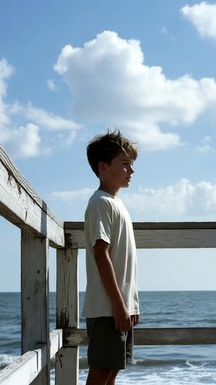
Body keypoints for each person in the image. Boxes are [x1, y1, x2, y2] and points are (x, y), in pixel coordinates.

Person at [82, 130, 140, 385]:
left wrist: (130, 304)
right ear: (103, 167)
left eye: (131, 165)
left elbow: (123, 260)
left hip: (120, 306)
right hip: (107, 307)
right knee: (101, 371)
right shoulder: (100, 203)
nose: (131, 170)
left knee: (112, 370)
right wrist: (118, 305)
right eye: (125, 164)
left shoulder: (117, 203)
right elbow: (101, 253)